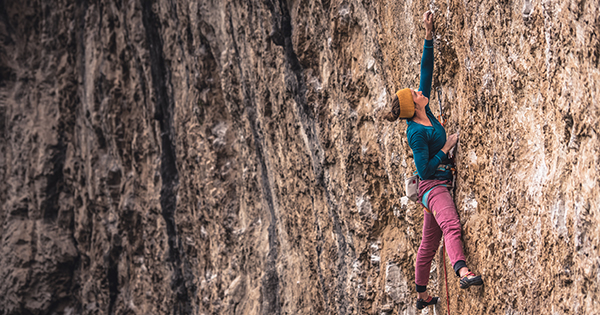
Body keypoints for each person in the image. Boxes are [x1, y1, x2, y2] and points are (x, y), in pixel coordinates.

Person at [384, 11, 483, 310]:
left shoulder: (422, 108)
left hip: (435, 186)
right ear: (412, 105)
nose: (419, 90)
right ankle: (463, 272)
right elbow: (423, 169)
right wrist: (447, 146)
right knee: (451, 225)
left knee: (428, 244)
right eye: (414, 93)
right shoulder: (415, 132)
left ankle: (422, 296)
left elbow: (426, 69)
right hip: (432, 186)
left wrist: (429, 32)